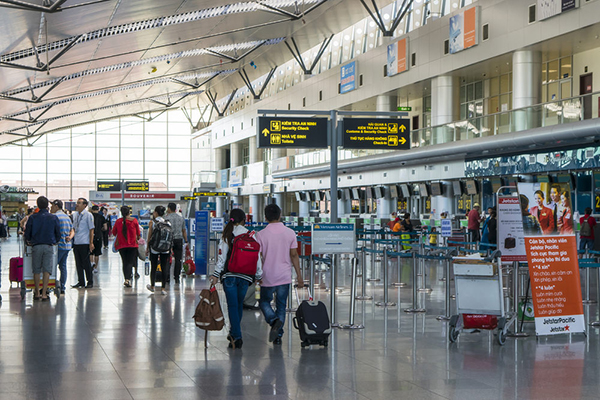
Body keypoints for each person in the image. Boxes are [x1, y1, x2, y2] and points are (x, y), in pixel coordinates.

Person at [209, 208, 262, 349]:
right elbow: (257, 257)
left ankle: (237, 336)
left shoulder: (227, 234)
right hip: (246, 277)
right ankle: (234, 332)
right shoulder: (251, 235)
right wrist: (259, 275)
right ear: (244, 220)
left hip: (229, 276)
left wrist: (215, 275)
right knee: (238, 305)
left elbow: (222, 258)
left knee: (232, 305)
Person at [256, 204, 304, 345]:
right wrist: (299, 276)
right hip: (284, 276)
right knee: (281, 306)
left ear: (265, 217)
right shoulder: (290, 233)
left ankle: (273, 320)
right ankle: (278, 335)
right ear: (280, 215)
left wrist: (257, 275)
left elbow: (258, 257)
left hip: (267, 276)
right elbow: (294, 255)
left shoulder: (261, 234)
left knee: (264, 302)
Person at [24, 196, 61, 301]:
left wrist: (29, 240)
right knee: (47, 270)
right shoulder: (53, 217)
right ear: (47, 205)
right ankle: (44, 293)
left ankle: (36, 292)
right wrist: (56, 240)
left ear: (38, 205)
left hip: (36, 245)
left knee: (36, 270)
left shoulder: (33, 217)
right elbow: (58, 232)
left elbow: (28, 232)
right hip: (49, 245)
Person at [112, 206, 140, 288]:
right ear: (129, 212)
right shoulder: (134, 221)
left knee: (125, 262)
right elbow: (138, 233)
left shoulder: (118, 221)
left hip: (121, 245)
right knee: (130, 262)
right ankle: (128, 279)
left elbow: (114, 233)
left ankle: (127, 279)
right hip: (132, 245)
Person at [146, 205, 171, 295]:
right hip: (165, 248)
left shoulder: (153, 222)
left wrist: (147, 248)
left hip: (155, 248)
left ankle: (152, 286)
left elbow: (149, 237)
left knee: (154, 266)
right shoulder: (168, 223)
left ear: (156, 213)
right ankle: (163, 289)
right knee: (164, 267)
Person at [51, 200, 74, 294]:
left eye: (52, 206)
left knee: (52, 267)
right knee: (63, 266)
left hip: (58, 246)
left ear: (56, 206)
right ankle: (62, 287)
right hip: (67, 246)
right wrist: (70, 237)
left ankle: (49, 286)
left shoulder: (55, 217)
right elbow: (72, 230)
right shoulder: (67, 217)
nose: (51, 208)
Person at [71, 198, 95, 288]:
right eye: (77, 203)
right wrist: (70, 237)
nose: (77, 204)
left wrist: (91, 243)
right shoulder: (75, 215)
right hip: (76, 242)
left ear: (85, 205)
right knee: (78, 263)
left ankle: (90, 281)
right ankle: (81, 281)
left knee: (86, 263)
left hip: (85, 242)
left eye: (79, 203)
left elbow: (91, 229)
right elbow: (73, 228)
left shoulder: (88, 215)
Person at [165, 202, 188, 287]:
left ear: (169, 209)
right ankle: (177, 277)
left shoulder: (166, 218)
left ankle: (167, 276)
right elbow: (184, 230)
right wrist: (186, 240)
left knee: (167, 258)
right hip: (179, 240)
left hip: (169, 240)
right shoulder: (181, 218)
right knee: (178, 259)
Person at [90, 205, 106, 273]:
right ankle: (95, 267)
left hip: (90, 236)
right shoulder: (101, 217)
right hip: (98, 236)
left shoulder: (90, 216)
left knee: (91, 253)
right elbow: (105, 228)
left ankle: (91, 263)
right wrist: (100, 229)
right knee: (97, 253)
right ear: (98, 210)